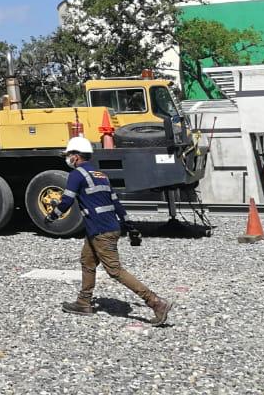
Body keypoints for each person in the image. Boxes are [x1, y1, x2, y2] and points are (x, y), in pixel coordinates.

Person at [47, 136, 172, 326]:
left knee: (115, 270)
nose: (68, 158)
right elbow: (116, 203)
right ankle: (84, 302)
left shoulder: (77, 175)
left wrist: (51, 217)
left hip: (100, 231)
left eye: (70, 154)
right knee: (87, 261)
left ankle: (156, 302)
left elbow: (66, 201)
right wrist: (129, 225)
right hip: (108, 227)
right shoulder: (101, 175)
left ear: (77, 156)